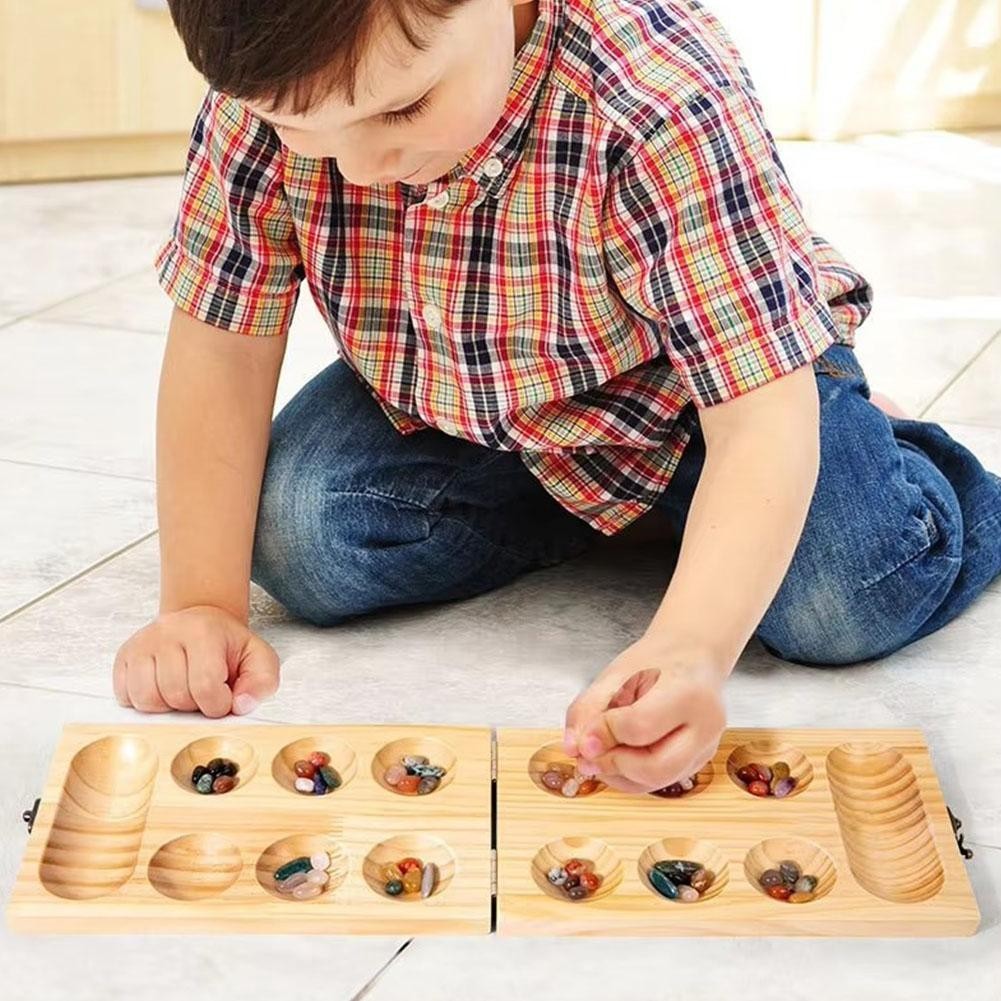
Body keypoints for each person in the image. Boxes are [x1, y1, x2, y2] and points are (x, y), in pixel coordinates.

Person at [113, 0, 1001, 794]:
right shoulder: (272, 90)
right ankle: (632, 522)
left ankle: (901, 457)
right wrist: (200, 602)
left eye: (401, 109)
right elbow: (221, 349)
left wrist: (690, 646)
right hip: (481, 413)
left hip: (717, 404)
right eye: (303, 130)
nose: (363, 165)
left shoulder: (656, 92)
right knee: (295, 536)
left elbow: (759, 413)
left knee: (844, 601)